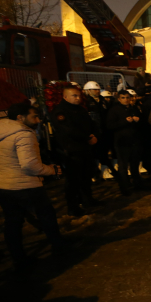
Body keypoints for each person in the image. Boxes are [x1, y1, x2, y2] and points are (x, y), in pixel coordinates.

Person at [0, 103, 68, 270]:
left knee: (13, 223)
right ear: (20, 118)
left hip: (4, 186)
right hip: (25, 185)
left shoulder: (2, 130)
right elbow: (30, 165)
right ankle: (58, 247)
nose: (38, 120)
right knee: (47, 215)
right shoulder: (23, 134)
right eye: (34, 117)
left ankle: (19, 258)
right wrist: (51, 170)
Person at [51, 86, 99, 215]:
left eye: (79, 96)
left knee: (86, 175)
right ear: (65, 96)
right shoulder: (60, 112)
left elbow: (91, 124)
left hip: (85, 148)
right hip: (72, 150)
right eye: (74, 96)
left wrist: (94, 134)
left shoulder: (80, 110)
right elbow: (68, 130)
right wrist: (87, 137)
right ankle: (73, 206)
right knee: (73, 180)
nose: (78, 98)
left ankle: (87, 199)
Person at [107, 90, 144, 195]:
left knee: (135, 164)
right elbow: (109, 125)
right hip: (122, 142)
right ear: (119, 99)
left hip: (135, 141)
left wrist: (138, 120)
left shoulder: (133, 108)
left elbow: (143, 123)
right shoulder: (114, 110)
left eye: (128, 97)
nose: (126, 99)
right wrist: (124, 121)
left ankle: (137, 183)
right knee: (123, 166)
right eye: (123, 97)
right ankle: (125, 187)